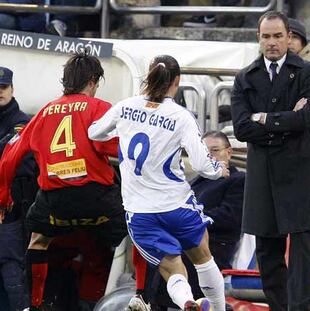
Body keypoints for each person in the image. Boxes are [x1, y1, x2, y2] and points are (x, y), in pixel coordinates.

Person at [88, 54, 229, 311]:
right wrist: (220, 170)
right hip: (176, 204)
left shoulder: (125, 107)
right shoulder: (180, 116)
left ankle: (186, 300)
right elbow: (201, 165)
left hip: (140, 212)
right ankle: (218, 308)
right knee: (202, 258)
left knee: (170, 266)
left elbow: (94, 132)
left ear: (148, 77)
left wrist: (120, 133)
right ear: (177, 81)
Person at [0, 51, 127, 311]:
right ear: (92, 81)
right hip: (98, 199)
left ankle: (35, 305)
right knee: (142, 231)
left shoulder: (43, 112)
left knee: (38, 241)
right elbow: (119, 149)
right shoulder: (100, 108)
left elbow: (9, 157)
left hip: (55, 202)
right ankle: (141, 296)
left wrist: (4, 198)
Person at [230, 11, 310, 311]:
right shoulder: (245, 77)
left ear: (290, 37)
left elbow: (305, 118)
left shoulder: (308, 72)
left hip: (301, 170)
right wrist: (284, 120)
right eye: (266, 36)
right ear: (258, 38)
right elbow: (241, 128)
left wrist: (263, 119)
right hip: (263, 172)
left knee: (302, 247)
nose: (272, 42)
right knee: (266, 248)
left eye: (278, 36)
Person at [142, 130, 245, 310]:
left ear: (228, 152)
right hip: (183, 244)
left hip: (212, 248)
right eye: (204, 152)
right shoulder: (193, 182)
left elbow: (230, 217)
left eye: (214, 151)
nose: (209, 156)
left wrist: (188, 219)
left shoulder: (238, 180)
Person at [0, 66, 38, 311]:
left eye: (3, 88)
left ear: (12, 89)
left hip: (11, 212)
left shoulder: (21, 122)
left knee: (11, 268)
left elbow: (19, 162)